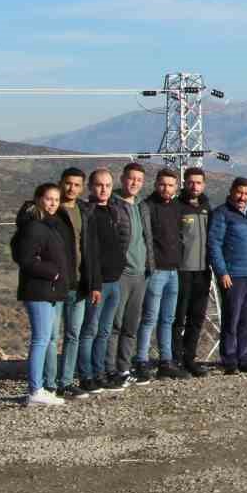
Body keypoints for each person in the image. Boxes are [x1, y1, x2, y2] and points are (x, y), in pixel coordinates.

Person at [12, 183, 74, 406]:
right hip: (38, 290)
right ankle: (35, 389)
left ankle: (39, 388)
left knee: (46, 338)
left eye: (56, 200)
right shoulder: (34, 227)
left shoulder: (48, 225)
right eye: (49, 199)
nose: (53, 203)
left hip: (49, 290)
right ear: (39, 199)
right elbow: (26, 259)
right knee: (40, 340)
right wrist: (54, 272)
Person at [208, 177, 247, 374]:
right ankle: (229, 357)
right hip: (233, 275)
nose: (243, 197)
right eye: (239, 192)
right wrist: (222, 271)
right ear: (232, 191)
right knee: (232, 318)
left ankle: (244, 356)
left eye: (246, 193)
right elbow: (214, 244)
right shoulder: (222, 214)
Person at [76, 168, 126, 396]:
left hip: (115, 280)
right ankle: (86, 374)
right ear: (91, 187)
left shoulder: (114, 211)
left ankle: (101, 371)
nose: (103, 189)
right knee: (90, 330)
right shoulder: (88, 213)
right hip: (98, 282)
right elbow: (90, 252)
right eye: (98, 185)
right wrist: (94, 283)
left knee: (105, 330)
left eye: (107, 185)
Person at [105, 163, 152, 388]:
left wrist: (149, 265)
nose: (134, 183)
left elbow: (147, 239)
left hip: (140, 273)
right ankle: (109, 369)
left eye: (139, 180)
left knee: (131, 325)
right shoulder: (112, 205)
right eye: (131, 178)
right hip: (120, 274)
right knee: (115, 324)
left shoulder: (142, 206)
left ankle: (124, 368)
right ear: (122, 179)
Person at [137, 166, 187, 381]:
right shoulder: (147, 206)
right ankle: (141, 360)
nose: (166, 188)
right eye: (162, 184)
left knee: (168, 318)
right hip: (155, 271)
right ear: (156, 185)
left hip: (174, 271)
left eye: (170, 185)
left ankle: (165, 361)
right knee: (149, 318)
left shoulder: (177, 207)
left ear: (176, 187)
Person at [47, 167, 88, 399]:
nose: (71, 188)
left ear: (82, 188)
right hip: (56, 283)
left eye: (76, 185)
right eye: (68, 183)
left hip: (79, 282)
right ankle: (50, 383)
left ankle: (66, 381)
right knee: (52, 336)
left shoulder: (83, 211)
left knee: (73, 334)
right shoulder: (50, 209)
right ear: (60, 183)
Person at [169, 169, 211, 378]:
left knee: (196, 317)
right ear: (184, 183)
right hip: (182, 271)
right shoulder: (177, 206)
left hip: (203, 271)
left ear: (203, 185)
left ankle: (190, 358)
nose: (195, 186)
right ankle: (175, 359)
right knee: (178, 318)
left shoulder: (206, 207)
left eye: (199, 183)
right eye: (191, 182)